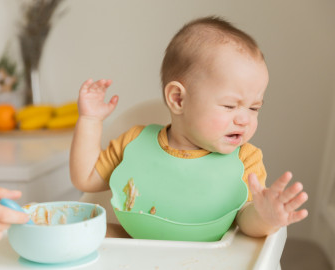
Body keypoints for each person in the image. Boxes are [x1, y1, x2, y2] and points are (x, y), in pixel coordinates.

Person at [70, 16, 308, 238]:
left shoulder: (246, 160)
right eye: (229, 106)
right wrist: (90, 121)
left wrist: (265, 217)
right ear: (178, 100)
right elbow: (86, 179)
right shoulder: (134, 143)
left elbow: (245, 219)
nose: (245, 119)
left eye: (254, 108)